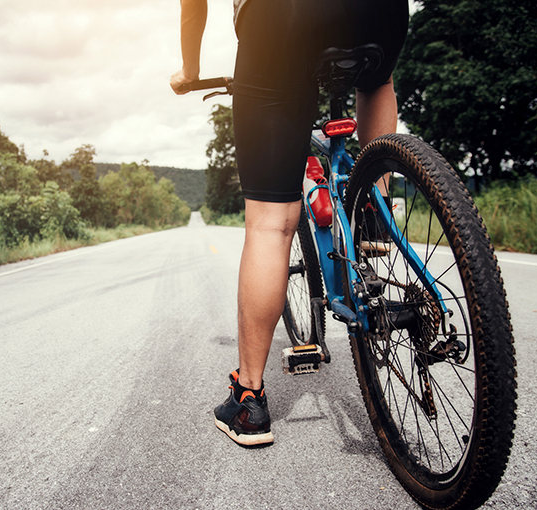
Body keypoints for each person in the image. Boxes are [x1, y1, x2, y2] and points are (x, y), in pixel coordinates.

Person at [171, 0, 409, 446]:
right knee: (376, 78)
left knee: (271, 223)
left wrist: (189, 70)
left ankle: (248, 400)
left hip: (281, 17)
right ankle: (374, 208)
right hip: (381, 11)